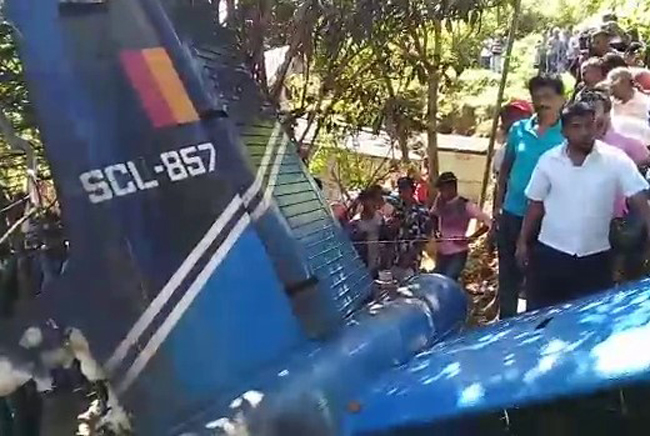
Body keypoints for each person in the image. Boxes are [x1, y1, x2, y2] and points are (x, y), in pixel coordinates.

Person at [516, 102, 650, 310]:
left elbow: (638, 196)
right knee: (541, 319)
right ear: (564, 131)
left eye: (590, 125)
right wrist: (523, 242)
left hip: (595, 259)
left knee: (591, 322)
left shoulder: (615, 160)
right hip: (551, 254)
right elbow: (535, 204)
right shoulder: (549, 161)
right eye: (577, 127)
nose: (586, 132)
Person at [494, 74, 566, 318]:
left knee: (538, 276)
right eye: (537, 97)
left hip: (548, 217)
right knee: (507, 274)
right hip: (513, 211)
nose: (542, 102)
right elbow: (506, 169)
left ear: (561, 100)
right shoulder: (519, 129)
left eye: (548, 97)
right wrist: (498, 207)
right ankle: (504, 325)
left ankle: (534, 327)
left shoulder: (567, 134)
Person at [430, 172, 491, 281]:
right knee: (438, 280)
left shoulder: (465, 205)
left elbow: (488, 222)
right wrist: (436, 230)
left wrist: (470, 238)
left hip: (458, 252)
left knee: (449, 279)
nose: (441, 192)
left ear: (452, 187)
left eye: (443, 189)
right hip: (442, 251)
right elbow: (433, 214)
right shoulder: (440, 201)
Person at [390, 176, 431, 281]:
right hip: (396, 258)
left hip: (411, 260)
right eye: (400, 190)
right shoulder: (398, 210)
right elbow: (392, 233)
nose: (402, 193)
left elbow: (424, 237)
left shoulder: (422, 211)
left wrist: (410, 256)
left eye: (405, 190)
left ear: (411, 190)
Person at [349, 186, 386, 277]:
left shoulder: (380, 217)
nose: (373, 204)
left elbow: (385, 238)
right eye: (369, 201)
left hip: (378, 265)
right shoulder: (355, 223)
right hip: (363, 266)